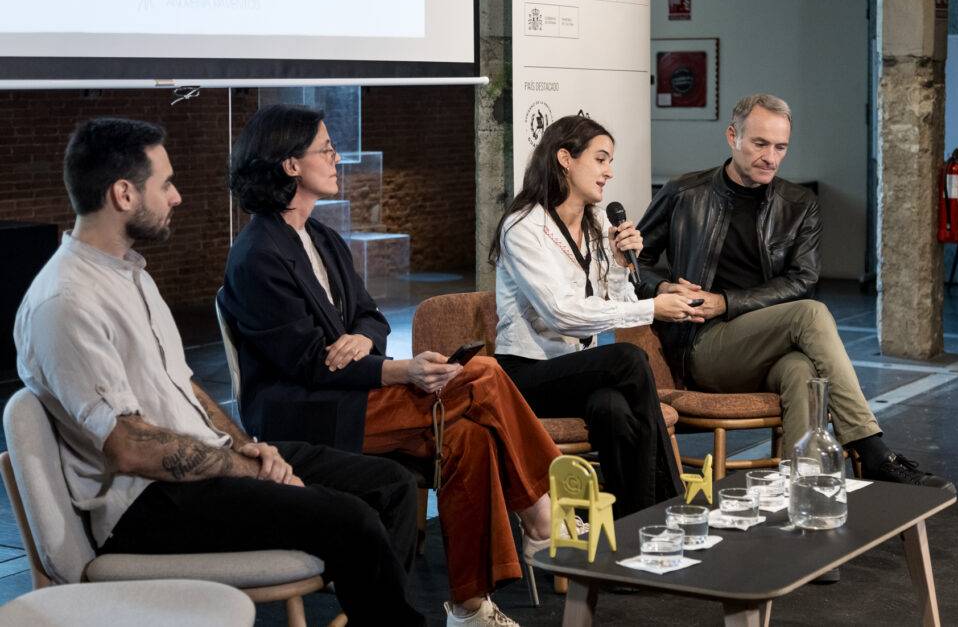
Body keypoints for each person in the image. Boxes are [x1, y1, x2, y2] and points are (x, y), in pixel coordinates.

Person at [13, 118, 425, 626]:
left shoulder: (130, 274)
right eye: (165, 183)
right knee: (353, 519)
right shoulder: (67, 301)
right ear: (123, 193)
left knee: (391, 485)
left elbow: (186, 388)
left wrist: (246, 447)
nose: (178, 196)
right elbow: (130, 447)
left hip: (199, 470)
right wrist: (246, 470)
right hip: (145, 505)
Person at [219, 104, 565, 627]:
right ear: (290, 165)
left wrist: (361, 337)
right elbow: (308, 363)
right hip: (304, 414)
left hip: (351, 394)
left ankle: (470, 607)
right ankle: (542, 511)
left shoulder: (324, 238)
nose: (337, 158)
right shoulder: (256, 256)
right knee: (487, 375)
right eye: (325, 149)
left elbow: (371, 317)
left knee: (466, 439)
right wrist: (399, 371)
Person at [635, 93, 954, 491]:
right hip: (704, 344)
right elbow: (632, 264)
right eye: (760, 144)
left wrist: (729, 301)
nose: (771, 157)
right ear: (732, 136)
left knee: (802, 371)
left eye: (780, 147)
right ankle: (871, 450)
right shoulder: (684, 192)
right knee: (811, 314)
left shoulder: (800, 204)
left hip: (767, 346)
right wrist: (663, 286)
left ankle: (800, 490)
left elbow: (803, 279)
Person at [490, 114, 690, 518]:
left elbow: (612, 300)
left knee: (612, 408)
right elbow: (563, 314)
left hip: (577, 372)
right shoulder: (524, 226)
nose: (608, 172)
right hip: (525, 374)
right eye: (600, 160)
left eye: (609, 161)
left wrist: (618, 264)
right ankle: (669, 510)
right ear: (565, 158)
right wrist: (652, 307)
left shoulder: (597, 226)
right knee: (628, 358)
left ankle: (627, 531)